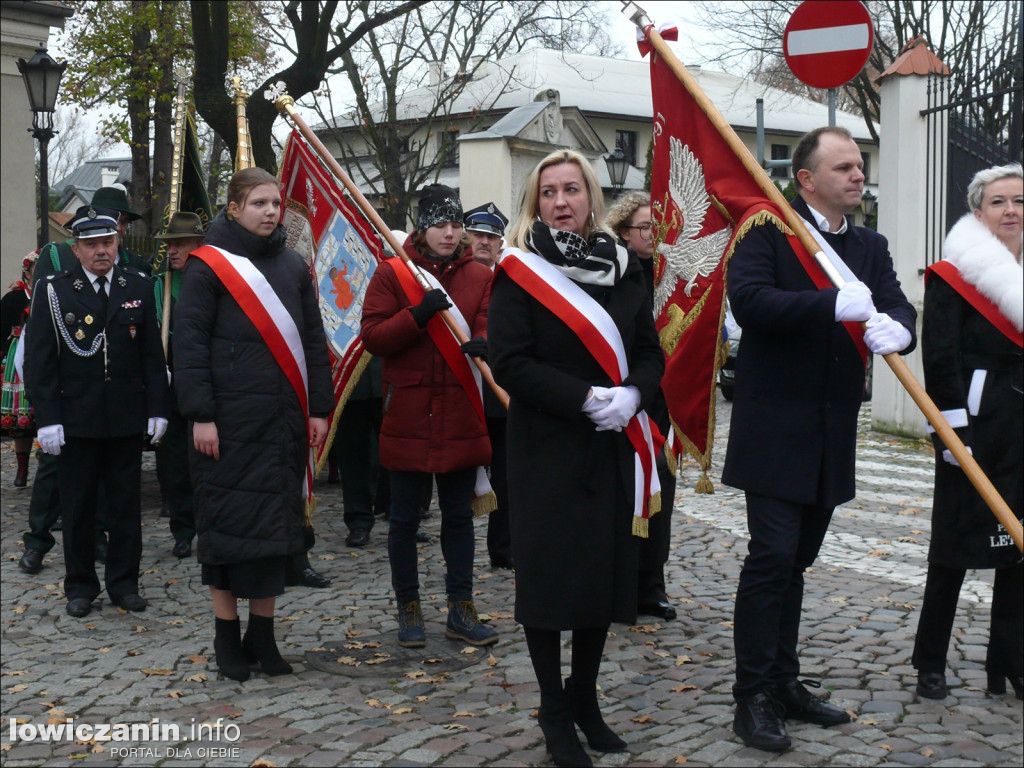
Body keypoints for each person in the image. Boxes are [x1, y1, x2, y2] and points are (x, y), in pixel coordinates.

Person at [722, 126, 917, 751]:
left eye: (860, 165)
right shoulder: (768, 232)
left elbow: (897, 306)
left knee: (798, 560)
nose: (858, 175)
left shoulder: (868, 243)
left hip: (832, 428)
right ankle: (751, 695)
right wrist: (829, 305)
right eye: (844, 167)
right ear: (806, 180)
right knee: (772, 557)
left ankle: (784, 680)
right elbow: (750, 303)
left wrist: (899, 332)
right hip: (774, 425)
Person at [488, 150, 665, 767]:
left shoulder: (626, 269)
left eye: (571, 190)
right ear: (534, 204)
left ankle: (585, 698)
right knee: (550, 582)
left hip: (610, 445)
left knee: (601, 576)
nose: (561, 202)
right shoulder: (518, 270)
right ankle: (553, 710)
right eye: (548, 193)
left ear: (591, 197)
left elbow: (648, 347)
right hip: (545, 447)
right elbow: (510, 362)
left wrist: (633, 394)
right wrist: (583, 397)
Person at [173, 168, 334, 681]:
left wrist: (319, 408)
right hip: (225, 427)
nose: (271, 212)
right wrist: (200, 415)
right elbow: (189, 346)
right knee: (225, 532)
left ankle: (261, 636)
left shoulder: (291, 266)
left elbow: (313, 341)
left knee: (274, 536)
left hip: (280, 423)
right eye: (260, 203)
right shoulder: (207, 267)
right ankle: (226, 637)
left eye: (276, 203)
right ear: (234, 207)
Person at [360, 184, 498, 649]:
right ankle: (409, 609)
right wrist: (417, 314)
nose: (450, 232)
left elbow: (486, 323)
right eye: (441, 223)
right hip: (409, 413)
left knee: (458, 517)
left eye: (456, 224)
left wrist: (485, 343)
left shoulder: (480, 277)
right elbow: (374, 337)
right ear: (422, 227)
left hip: (460, 412)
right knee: (402, 521)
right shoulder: (393, 275)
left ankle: (462, 607)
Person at [23, 206, 170, 619]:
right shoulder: (54, 290)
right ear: (77, 249)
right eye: (91, 245)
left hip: (124, 416)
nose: (101, 251)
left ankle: (124, 584)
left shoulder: (136, 284)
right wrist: (47, 418)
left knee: (125, 506)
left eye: (107, 242)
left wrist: (157, 407)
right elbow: (41, 360)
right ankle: (81, 586)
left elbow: (150, 355)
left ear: (117, 242)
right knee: (79, 506)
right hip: (76, 419)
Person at [913, 163, 1023, 701]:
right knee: (953, 545)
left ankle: (1010, 659)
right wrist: (953, 431)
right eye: (999, 202)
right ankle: (930, 659)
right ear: (978, 213)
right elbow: (939, 356)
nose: (1011, 211)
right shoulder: (952, 275)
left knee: (1022, 548)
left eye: (1020, 201)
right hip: (976, 422)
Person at [607, 191, 677, 622]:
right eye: (645, 227)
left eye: (658, 227)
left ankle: (653, 585)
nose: (654, 235)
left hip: (665, 400)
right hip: (625, 397)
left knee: (661, 497)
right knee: (626, 496)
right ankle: (620, 586)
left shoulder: (673, 275)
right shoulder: (611, 275)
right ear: (622, 232)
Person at [153, 212, 206, 559]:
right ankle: (183, 530)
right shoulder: (159, 284)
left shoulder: (211, 280)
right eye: (169, 244)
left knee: (206, 457)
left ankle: (213, 526)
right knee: (173, 463)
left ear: (198, 246)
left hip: (203, 377)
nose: (172, 251)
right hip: (169, 377)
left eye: (180, 244)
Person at [463, 202, 513, 569]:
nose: (484, 242)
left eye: (491, 237)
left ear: (500, 244)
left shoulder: (509, 282)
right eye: (478, 235)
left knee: (507, 478)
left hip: (499, 395)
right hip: (460, 394)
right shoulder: (449, 279)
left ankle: (504, 547)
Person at [1, 251, 38, 488]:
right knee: (21, 420)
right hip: (18, 358)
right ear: (27, 272)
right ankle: (22, 470)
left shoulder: (55, 293)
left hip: (45, 353)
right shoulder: (14, 299)